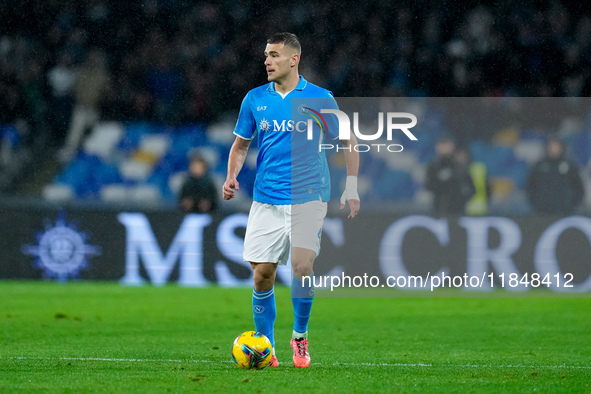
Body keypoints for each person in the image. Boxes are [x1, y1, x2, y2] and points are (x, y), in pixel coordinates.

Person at [222, 32, 360, 368]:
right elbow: (241, 145)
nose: (267, 61)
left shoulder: (320, 98)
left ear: (294, 59)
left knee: (302, 265)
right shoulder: (255, 99)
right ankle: (265, 346)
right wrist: (231, 176)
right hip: (267, 198)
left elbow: (348, 140)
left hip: (308, 196)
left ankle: (299, 336)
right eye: (266, 55)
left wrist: (351, 185)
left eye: (273, 55)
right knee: (262, 275)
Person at [526, 136, 584, 214]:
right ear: (547, 148)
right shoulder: (539, 166)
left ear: (562, 148)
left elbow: (579, 188)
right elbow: (530, 187)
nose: (554, 150)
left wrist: (571, 204)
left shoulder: (570, 166)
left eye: (556, 147)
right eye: (551, 147)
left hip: (565, 212)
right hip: (543, 212)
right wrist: (538, 204)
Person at [425, 137, 475, 215]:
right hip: (438, 209)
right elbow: (428, 185)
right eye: (442, 145)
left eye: (446, 145)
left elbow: (470, 187)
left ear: (452, 146)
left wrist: (461, 199)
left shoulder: (459, 166)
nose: (444, 148)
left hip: (457, 210)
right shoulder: (433, 167)